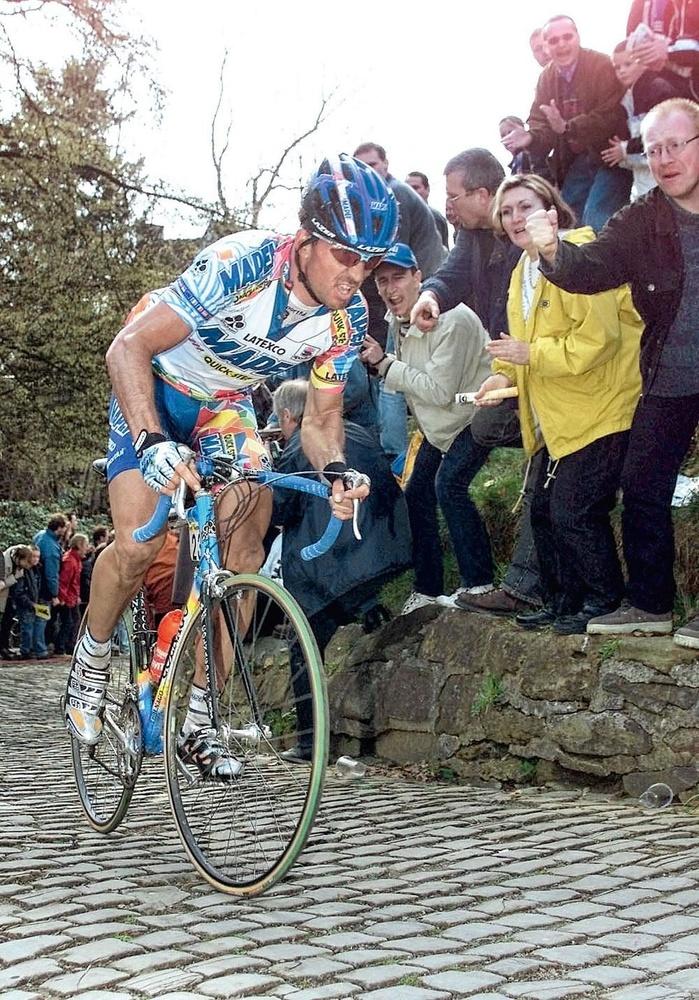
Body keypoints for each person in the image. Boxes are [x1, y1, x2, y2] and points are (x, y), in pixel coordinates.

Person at [63, 153, 397, 781]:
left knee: (249, 524)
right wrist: (152, 439)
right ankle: (89, 662)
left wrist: (336, 472)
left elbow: (323, 423)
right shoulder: (239, 264)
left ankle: (198, 713)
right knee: (140, 546)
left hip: (224, 403)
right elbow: (127, 347)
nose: (360, 274)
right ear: (304, 243)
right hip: (155, 386)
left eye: (371, 260)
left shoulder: (346, 321)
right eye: (346, 255)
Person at [526, 97, 699, 647]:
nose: (665, 158)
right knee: (642, 485)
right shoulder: (643, 218)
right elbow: (593, 266)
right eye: (653, 150)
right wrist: (553, 252)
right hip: (669, 372)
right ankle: (649, 605)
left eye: (676, 145)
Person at [480, 174, 643, 634]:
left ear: (551, 209)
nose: (516, 218)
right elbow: (520, 346)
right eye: (507, 210)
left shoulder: (583, 250)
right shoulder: (521, 271)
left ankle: (604, 600)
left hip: (603, 406)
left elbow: (600, 340)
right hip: (557, 414)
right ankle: (562, 601)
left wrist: (530, 357)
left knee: (575, 510)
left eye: (525, 206)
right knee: (544, 511)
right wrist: (501, 377)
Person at [410, 149, 545, 616]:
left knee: (546, 471)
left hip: (543, 364)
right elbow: (451, 275)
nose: (450, 206)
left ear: (482, 194)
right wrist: (430, 295)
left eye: (454, 195)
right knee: (490, 431)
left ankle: (527, 586)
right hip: (508, 368)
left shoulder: (529, 241)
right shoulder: (472, 236)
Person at [272, 378, 412, 761]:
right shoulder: (361, 433)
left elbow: (279, 510)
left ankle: (310, 742)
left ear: (288, 415)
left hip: (335, 563)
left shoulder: (299, 445)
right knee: (339, 594)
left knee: (304, 644)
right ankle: (368, 606)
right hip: (387, 548)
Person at [361, 243, 494, 613]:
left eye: (399, 277)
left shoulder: (453, 318)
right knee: (416, 495)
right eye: (382, 281)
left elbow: (438, 391)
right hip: (441, 428)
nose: (390, 289)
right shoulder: (397, 321)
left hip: (476, 415)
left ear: (419, 276)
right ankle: (428, 588)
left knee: (448, 487)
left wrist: (385, 365)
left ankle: (479, 585)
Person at [353, 142, 446, 462]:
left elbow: (390, 258)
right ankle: (403, 449)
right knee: (391, 366)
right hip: (405, 289)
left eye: (373, 165)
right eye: (360, 167)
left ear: (386, 164)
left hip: (427, 288)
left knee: (392, 368)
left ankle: (400, 455)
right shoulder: (368, 202)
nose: (368, 172)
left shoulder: (395, 195)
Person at [501, 15, 632, 231]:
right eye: (553, 41)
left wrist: (568, 127)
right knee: (567, 220)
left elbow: (611, 115)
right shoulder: (546, 78)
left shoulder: (601, 64)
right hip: (575, 162)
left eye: (567, 37)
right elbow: (540, 121)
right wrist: (531, 137)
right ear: (546, 46)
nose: (561, 45)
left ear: (578, 37)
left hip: (610, 157)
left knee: (597, 219)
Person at [602, 40, 677, 199]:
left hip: (667, 182)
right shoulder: (625, 100)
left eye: (628, 64)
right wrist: (623, 152)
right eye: (617, 67)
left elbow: (664, 138)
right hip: (642, 184)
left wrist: (625, 149)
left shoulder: (659, 90)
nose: (622, 71)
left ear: (643, 62)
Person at [33, 514, 68, 658]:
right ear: (59, 528)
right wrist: (54, 594)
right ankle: (40, 649)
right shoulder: (52, 547)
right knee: (42, 618)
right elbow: (51, 573)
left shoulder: (40, 535)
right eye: (64, 528)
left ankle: (38, 645)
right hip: (45, 589)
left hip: (36, 584)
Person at [55, 534, 89, 655]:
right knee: (68, 622)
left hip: (73, 597)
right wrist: (63, 597)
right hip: (67, 598)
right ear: (79, 545)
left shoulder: (76, 560)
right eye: (85, 545)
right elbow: (64, 581)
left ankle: (70, 645)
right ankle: (61, 646)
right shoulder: (70, 560)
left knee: (75, 622)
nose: (87, 548)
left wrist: (77, 596)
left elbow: (74, 581)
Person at [0, 544, 33, 659]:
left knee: (7, 622)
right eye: (26, 563)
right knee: (4, 622)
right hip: (3, 596)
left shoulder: (19, 563)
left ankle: (4, 646)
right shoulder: (4, 561)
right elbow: (2, 583)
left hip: (10, 597)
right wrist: (14, 578)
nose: (28, 566)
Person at [405, 170, 450, 248]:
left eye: (415, 187)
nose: (411, 191)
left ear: (427, 189)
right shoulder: (402, 217)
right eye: (407, 188)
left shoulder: (434, 217)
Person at [14, 546, 42, 660]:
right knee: (27, 629)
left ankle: (28, 649)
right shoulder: (24, 570)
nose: (35, 559)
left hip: (32, 603)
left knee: (31, 628)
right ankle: (25, 650)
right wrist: (30, 603)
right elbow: (19, 592)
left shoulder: (37, 569)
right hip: (26, 605)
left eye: (37, 557)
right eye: (33, 556)